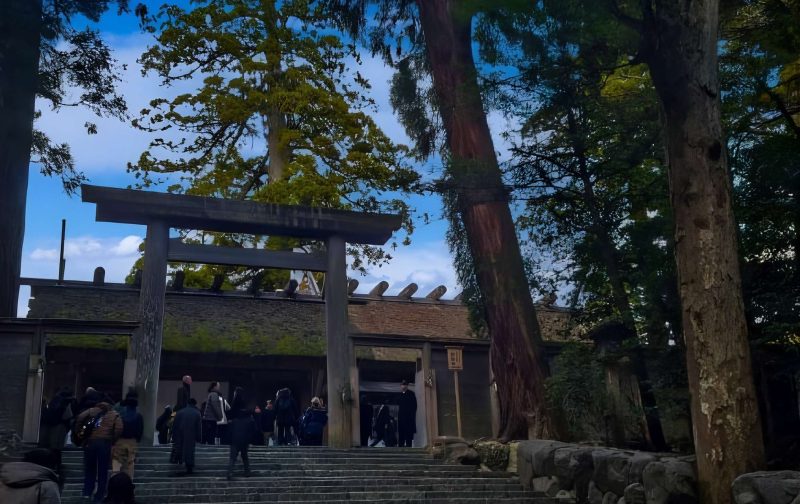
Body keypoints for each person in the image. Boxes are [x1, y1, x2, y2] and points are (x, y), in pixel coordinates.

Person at [74, 398, 123, 502]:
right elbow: (119, 428)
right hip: (104, 443)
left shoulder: (91, 411)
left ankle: (87, 493)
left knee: (89, 469)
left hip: (89, 442)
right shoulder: (114, 414)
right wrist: (113, 439)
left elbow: (79, 418)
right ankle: (99, 496)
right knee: (102, 470)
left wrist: (80, 433)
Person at [39, 387, 75, 471]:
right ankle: (57, 466)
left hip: (52, 426)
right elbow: (68, 417)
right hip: (59, 427)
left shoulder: (55, 401)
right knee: (56, 448)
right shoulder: (65, 403)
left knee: (52, 447)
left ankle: (53, 465)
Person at [112, 391, 143, 478]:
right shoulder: (138, 416)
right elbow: (140, 432)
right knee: (129, 466)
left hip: (119, 440)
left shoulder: (120, 414)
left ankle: (114, 485)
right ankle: (128, 486)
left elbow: (116, 427)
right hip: (132, 441)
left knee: (116, 466)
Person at [227, 387, 256, 480]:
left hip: (235, 439)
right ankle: (247, 472)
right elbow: (252, 430)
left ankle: (230, 473)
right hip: (244, 440)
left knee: (232, 457)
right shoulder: (248, 419)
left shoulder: (235, 420)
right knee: (245, 456)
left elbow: (230, 430)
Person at [171, 397, 202, 475]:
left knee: (180, 449)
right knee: (190, 451)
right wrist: (199, 437)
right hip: (191, 435)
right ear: (195, 404)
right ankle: (189, 467)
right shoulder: (197, 413)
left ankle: (178, 464)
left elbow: (174, 426)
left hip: (179, 435)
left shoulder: (179, 412)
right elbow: (199, 427)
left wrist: (174, 436)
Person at [397, 379, 417, 447]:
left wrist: (411, 416)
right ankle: (400, 447)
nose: (403, 386)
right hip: (401, 418)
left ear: (407, 386)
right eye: (402, 385)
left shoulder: (411, 394)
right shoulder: (399, 395)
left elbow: (414, 406)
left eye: (405, 385)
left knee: (408, 435)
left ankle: (408, 447)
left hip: (409, 418)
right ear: (401, 386)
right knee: (401, 434)